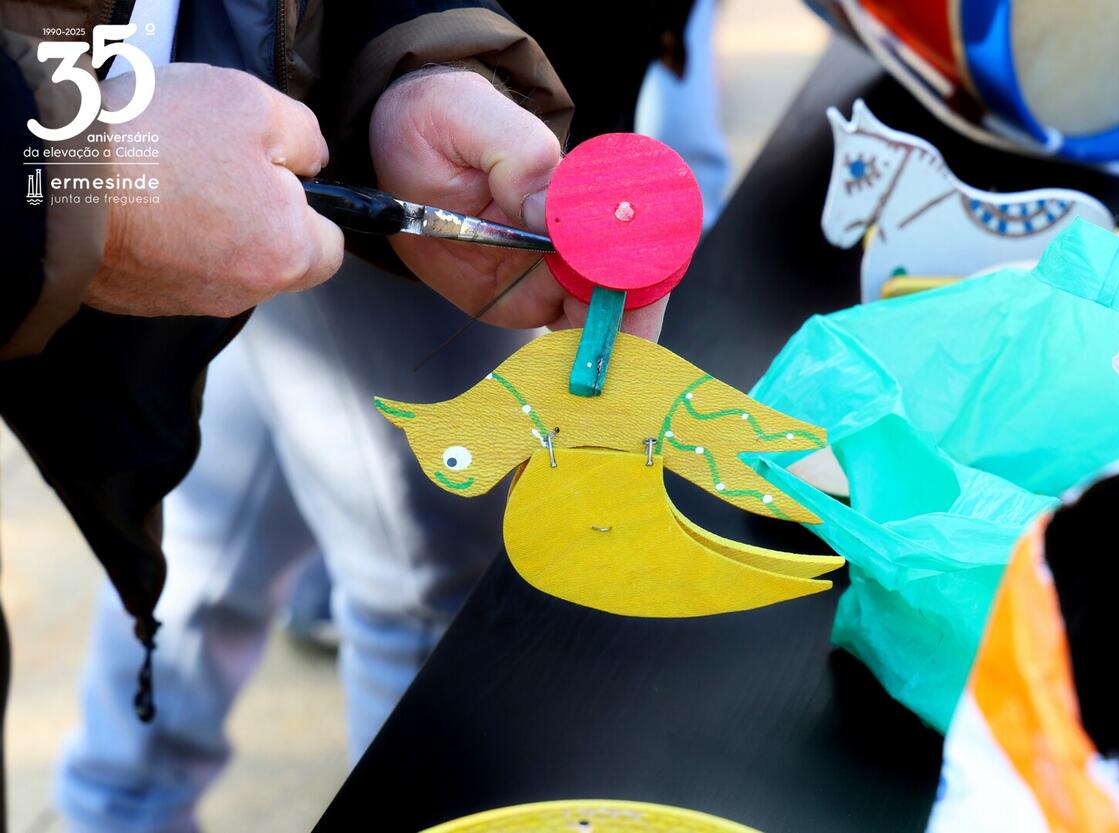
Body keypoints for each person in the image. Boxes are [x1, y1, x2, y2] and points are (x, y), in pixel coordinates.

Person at [2, 0, 692, 828]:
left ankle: (117, 802)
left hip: (262, 132)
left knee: (231, 510)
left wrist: (409, 62)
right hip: (142, 169)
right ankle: (119, 802)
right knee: (422, 583)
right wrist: (92, 176)